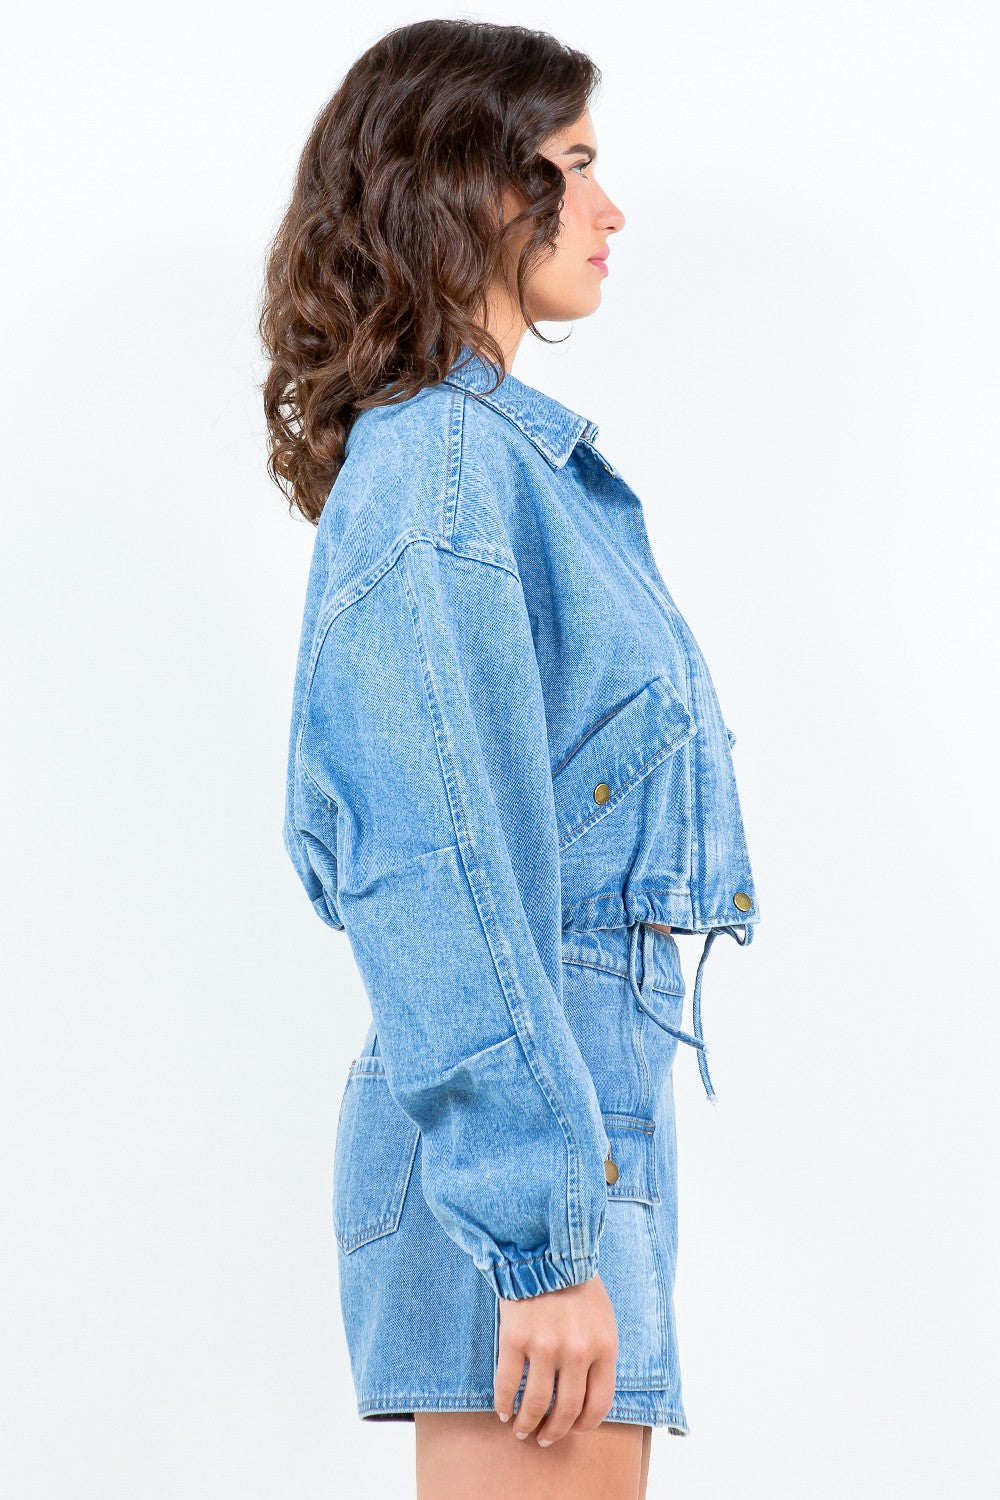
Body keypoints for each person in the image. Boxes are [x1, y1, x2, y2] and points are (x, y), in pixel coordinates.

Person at [259, 19, 759, 1500]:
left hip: (559, 1141)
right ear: (471, 188)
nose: (609, 212)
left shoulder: (490, 463)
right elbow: (435, 859)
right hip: (521, 1174)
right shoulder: (446, 472)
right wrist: (540, 1238)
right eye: (577, 166)